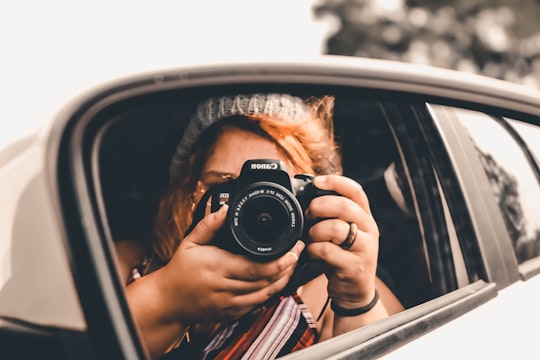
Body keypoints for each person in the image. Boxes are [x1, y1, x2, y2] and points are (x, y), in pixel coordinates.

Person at [123, 93, 404, 359]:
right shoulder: (128, 263)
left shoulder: (331, 291)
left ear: (314, 203)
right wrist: (168, 295)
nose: (253, 207)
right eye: (226, 186)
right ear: (188, 191)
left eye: (275, 192)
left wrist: (357, 303)